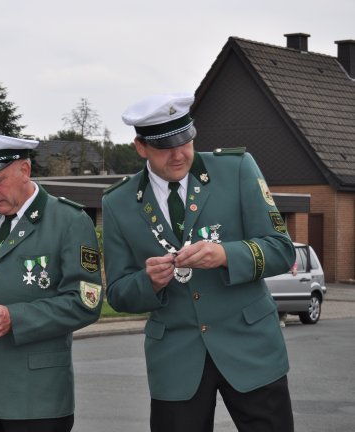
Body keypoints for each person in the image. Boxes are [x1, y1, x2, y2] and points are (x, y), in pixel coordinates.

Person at [102, 93, 296, 432]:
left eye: (185, 141)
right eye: (165, 146)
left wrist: (225, 255)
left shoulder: (237, 168)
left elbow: (281, 250)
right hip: (175, 362)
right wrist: (149, 282)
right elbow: (118, 293)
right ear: (140, 147)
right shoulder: (118, 202)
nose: (179, 154)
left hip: (251, 349)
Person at [0, 133, 103, 432]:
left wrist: (15, 318)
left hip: (37, 397)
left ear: (25, 170)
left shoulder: (69, 221)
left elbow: (85, 302)